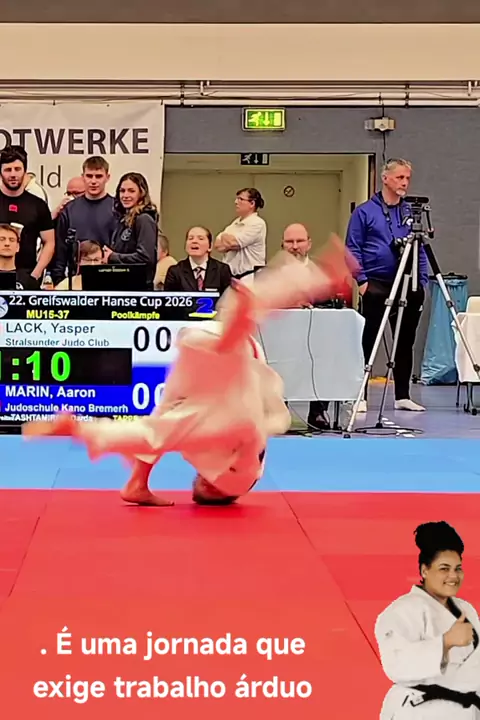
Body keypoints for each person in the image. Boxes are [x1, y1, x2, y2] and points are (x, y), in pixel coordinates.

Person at [23, 236, 356, 507]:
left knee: (164, 420)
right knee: (176, 412)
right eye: (202, 485)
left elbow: (151, 434)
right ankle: (135, 482)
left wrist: (80, 430)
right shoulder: (231, 454)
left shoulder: (213, 441)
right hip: (223, 377)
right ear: (211, 486)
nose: (195, 482)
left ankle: (136, 482)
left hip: (211, 364)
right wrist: (80, 430)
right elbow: (154, 435)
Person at [346, 158, 428, 413]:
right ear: (385, 179)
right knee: (369, 340)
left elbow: (420, 248)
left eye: (407, 178)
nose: (404, 183)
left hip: (407, 282)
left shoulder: (410, 213)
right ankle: (360, 395)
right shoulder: (364, 212)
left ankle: (402, 395)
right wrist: (362, 282)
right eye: (399, 177)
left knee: (405, 340)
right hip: (376, 283)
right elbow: (352, 248)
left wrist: (422, 281)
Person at [375, 521, 480, 718]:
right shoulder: (402, 610)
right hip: (420, 712)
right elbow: (396, 664)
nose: (453, 576)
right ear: (424, 570)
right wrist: (445, 642)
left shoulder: (467, 610)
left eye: (458, 568)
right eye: (444, 568)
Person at [0, 145, 54, 281]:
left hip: (26, 277)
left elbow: (49, 242)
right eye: (8, 170)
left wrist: (35, 275)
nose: (13, 174)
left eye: (17, 169)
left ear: (25, 171)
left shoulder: (38, 205)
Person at [104, 172, 158, 290]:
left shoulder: (144, 219)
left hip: (138, 289)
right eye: (122, 191)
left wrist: (113, 257)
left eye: (131, 191)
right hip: (121, 286)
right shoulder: (122, 220)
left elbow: (145, 258)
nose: (125, 195)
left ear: (141, 193)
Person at [214, 187, 266, 282]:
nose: (236, 202)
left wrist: (225, 237)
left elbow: (233, 243)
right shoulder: (235, 223)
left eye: (240, 199)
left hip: (250, 276)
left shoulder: (257, 223)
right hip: (232, 276)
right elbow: (217, 245)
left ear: (252, 203)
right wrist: (229, 241)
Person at [164, 225, 231, 295]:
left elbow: (229, 298)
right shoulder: (175, 271)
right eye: (190, 238)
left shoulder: (222, 270)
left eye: (200, 238)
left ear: (210, 246)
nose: (194, 241)